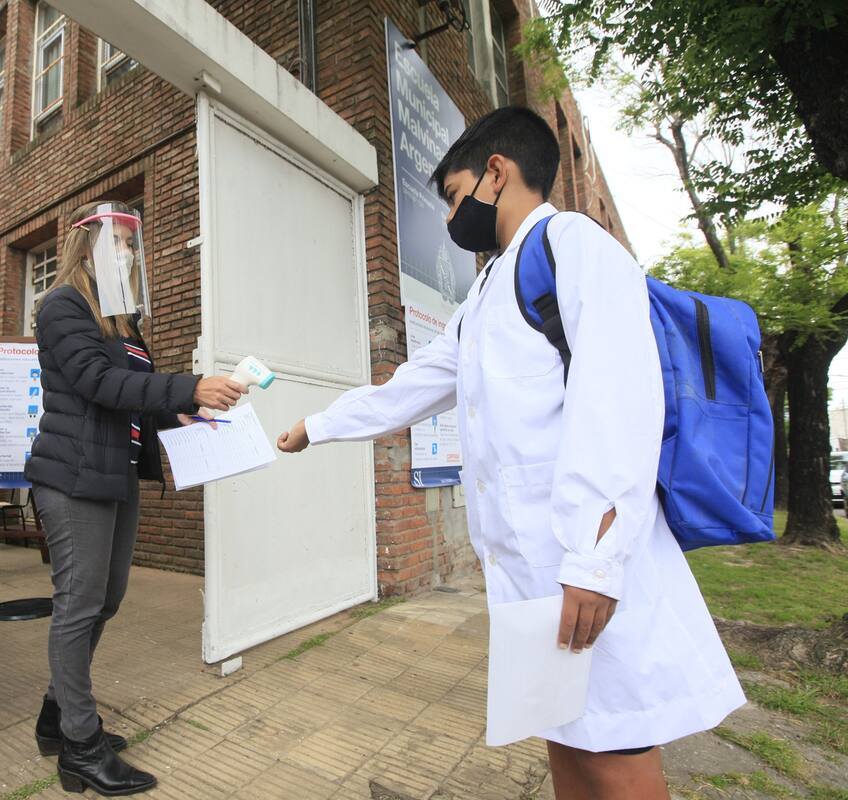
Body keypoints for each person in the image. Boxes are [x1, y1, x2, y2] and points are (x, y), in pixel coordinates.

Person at [277, 107, 744, 799]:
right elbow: (412, 386)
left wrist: (594, 563)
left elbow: (618, 402)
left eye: (456, 197)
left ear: (498, 172)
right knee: (562, 731)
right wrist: (318, 424)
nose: (450, 218)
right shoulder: (485, 295)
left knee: (616, 750)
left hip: (587, 565)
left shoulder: (572, 245)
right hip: (530, 576)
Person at [25, 200, 245, 796]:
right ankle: (80, 746)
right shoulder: (62, 306)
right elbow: (100, 384)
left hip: (113, 475)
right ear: (87, 245)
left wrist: (184, 412)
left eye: (130, 244)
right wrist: (190, 383)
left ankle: (56, 716)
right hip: (71, 476)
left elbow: (135, 398)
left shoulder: (123, 321)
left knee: (107, 598)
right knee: (79, 602)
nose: (126, 252)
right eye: (115, 241)